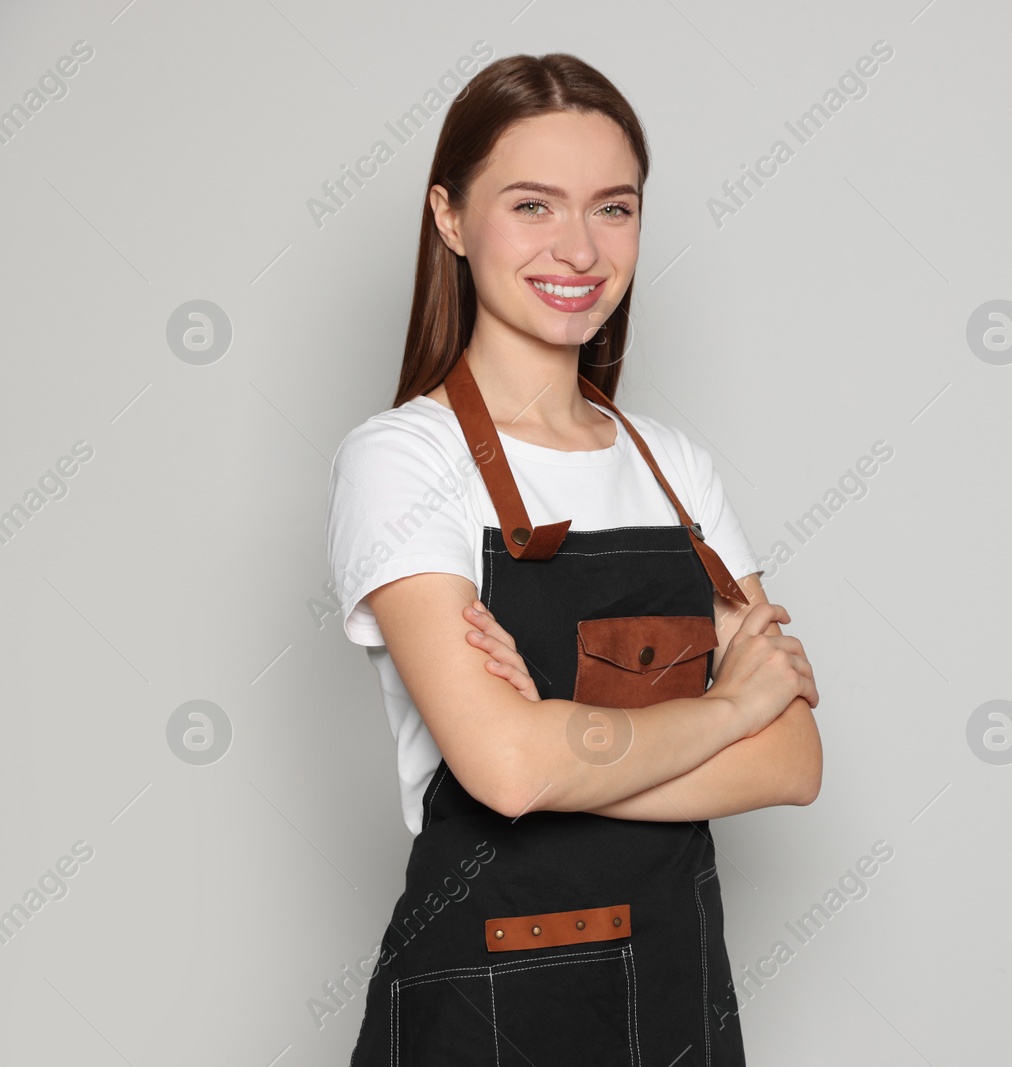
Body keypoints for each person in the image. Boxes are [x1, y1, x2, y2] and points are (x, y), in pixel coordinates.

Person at [325, 52, 822, 1066]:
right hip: (484, 999)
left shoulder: (672, 467)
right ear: (451, 217)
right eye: (532, 205)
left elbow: (794, 760)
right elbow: (504, 771)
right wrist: (724, 712)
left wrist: (552, 746)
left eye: (614, 207)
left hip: (678, 990)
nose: (580, 247)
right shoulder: (404, 459)